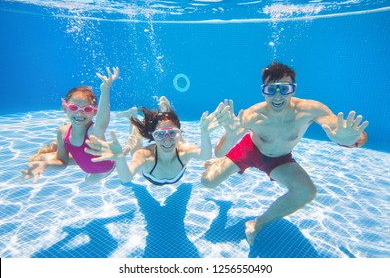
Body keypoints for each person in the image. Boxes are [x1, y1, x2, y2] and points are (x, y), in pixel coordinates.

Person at [201, 62, 369, 246]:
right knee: (207, 182)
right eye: (271, 90)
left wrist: (347, 141)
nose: (278, 96)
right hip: (250, 150)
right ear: (263, 91)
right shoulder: (252, 115)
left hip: (279, 159)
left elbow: (356, 136)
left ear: (293, 89)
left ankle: (258, 223)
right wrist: (231, 136)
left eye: (285, 88)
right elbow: (219, 151)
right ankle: (215, 172)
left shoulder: (311, 110)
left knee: (306, 191)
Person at [84, 96, 229, 186]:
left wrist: (204, 133)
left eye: (171, 133)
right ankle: (133, 118)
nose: (166, 140)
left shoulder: (184, 149)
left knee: (180, 143)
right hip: (150, 175)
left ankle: (164, 110)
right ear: (154, 136)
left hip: (177, 171)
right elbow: (126, 177)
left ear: (179, 131)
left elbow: (205, 156)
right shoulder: (145, 155)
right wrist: (120, 159)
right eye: (160, 135)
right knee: (136, 147)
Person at [21, 67, 120, 184]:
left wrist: (105, 90)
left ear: (94, 112)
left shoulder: (93, 132)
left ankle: (116, 162)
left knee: (87, 181)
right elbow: (62, 161)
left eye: (87, 109)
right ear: (65, 108)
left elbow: (102, 122)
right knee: (38, 159)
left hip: (103, 168)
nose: (79, 113)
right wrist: (45, 165)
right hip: (84, 158)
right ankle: (52, 153)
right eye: (74, 108)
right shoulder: (62, 131)